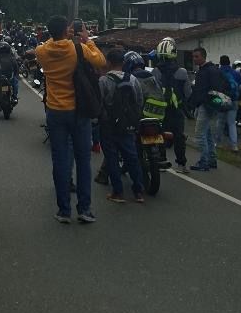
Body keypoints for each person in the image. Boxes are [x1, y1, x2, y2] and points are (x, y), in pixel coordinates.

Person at [36, 14, 104, 225]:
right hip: (78, 111)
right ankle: (84, 209)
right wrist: (87, 39)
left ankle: (63, 210)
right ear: (67, 31)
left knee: (61, 160)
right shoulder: (78, 49)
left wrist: (57, 34)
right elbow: (101, 61)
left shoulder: (42, 51)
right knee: (83, 160)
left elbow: (49, 42)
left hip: (55, 111)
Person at [98, 48, 145, 203]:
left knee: (111, 158)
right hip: (128, 126)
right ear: (123, 63)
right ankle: (138, 192)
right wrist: (133, 119)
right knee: (131, 157)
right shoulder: (133, 79)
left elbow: (100, 104)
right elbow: (139, 101)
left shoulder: (104, 81)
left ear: (108, 62)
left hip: (109, 125)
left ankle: (118, 193)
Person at [153, 38, 192, 171]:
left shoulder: (155, 71)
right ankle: (181, 164)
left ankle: (161, 161)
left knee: (160, 134)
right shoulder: (182, 72)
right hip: (177, 110)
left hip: (160, 109)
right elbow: (188, 93)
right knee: (179, 136)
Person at [189, 47, 228, 171]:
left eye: (197, 56)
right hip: (210, 106)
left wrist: (205, 102)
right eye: (193, 56)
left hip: (206, 106)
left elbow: (210, 90)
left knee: (200, 134)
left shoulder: (207, 71)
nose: (194, 59)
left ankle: (204, 162)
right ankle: (212, 159)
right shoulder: (211, 70)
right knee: (208, 134)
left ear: (203, 57)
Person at [217, 55, 241, 152]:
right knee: (232, 123)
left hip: (221, 99)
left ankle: (218, 143)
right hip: (234, 100)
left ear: (220, 62)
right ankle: (234, 145)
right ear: (229, 62)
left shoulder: (218, 72)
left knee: (220, 122)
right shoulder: (235, 73)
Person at [0, 39, 19, 103]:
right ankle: (14, 96)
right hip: (7, 78)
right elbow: (16, 68)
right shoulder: (11, 58)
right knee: (15, 83)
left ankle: (14, 96)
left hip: (1, 79)